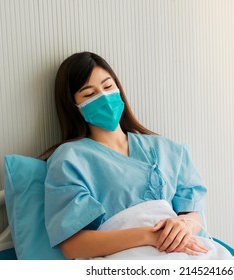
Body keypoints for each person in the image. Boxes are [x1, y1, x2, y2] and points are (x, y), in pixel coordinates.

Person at [43, 51, 216, 259]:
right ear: (74, 106)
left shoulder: (166, 148)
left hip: (187, 251)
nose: (104, 98)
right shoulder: (70, 159)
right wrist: (149, 235)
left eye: (108, 87)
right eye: (89, 94)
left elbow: (193, 211)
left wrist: (185, 225)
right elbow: (74, 247)